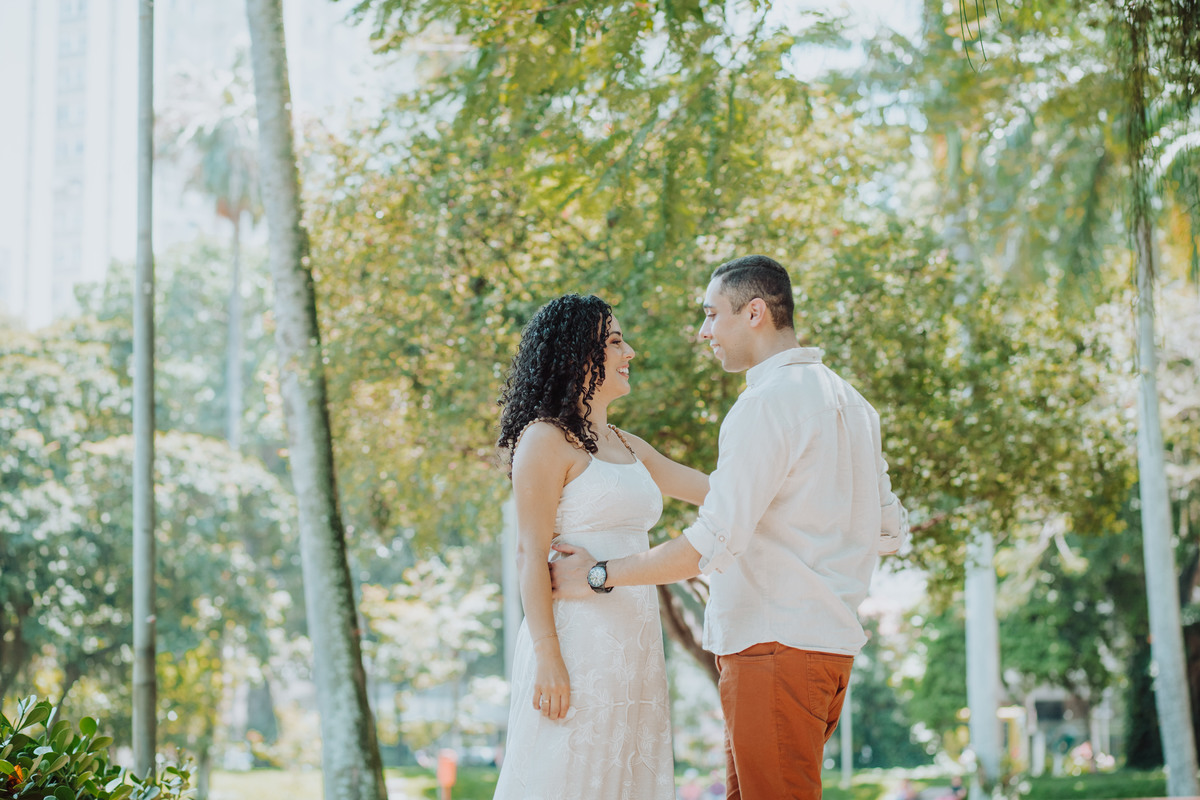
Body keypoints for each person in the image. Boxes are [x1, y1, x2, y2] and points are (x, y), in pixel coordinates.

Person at [551, 255, 909, 799]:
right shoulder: (852, 404)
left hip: (774, 650)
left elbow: (708, 545)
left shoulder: (766, 404)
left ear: (755, 312)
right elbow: (888, 528)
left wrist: (598, 575)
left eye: (712, 314)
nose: (704, 331)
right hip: (825, 650)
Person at [492, 293, 709, 800]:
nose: (629, 351)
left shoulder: (627, 443)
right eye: (615, 341)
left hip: (634, 647)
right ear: (575, 355)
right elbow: (528, 554)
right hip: (573, 644)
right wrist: (548, 656)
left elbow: (719, 492)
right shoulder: (544, 439)